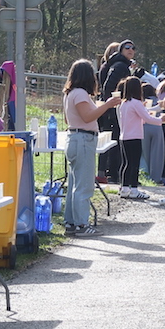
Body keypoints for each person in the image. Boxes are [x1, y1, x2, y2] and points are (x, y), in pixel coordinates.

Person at [62, 59, 123, 236]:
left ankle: (71, 222)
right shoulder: (81, 94)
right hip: (83, 140)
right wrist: (107, 105)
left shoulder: (69, 94)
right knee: (84, 185)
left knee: (74, 184)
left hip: (74, 138)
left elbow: (68, 118)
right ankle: (82, 224)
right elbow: (88, 117)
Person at [118, 76, 165, 199]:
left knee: (126, 163)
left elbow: (140, 118)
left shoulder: (124, 103)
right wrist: (160, 120)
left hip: (124, 136)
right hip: (135, 137)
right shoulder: (136, 103)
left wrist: (143, 109)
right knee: (134, 164)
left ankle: (124, 188)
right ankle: (134, 190)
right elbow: (147, 118)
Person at [99, 40, 135, 184]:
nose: (131, 50)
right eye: (127, 47)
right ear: (121, 50)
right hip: (113, 111)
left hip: (112, 109)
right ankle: (113, 174)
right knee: (114, 142)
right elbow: (108, 87)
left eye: (133, 48)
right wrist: (112, 104)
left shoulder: (120, 64)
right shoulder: (120, 65)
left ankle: (110, 173)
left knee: (112, 141)